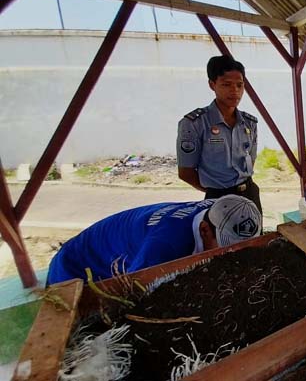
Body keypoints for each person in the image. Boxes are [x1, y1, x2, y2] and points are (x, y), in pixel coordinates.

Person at [47, 195, 262, 285]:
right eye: (226, 248)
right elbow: (134, 294)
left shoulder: (223, 208)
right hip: (78, 269)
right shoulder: (165, 249)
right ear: (205, 231)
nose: (233, 256)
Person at [177, 55, 262, 213]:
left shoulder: (249, 123)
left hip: (249, 194)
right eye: (226, 84)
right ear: (212, 84)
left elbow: (251, 159)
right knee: (219, 238)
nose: (235, 91)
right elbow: (185, 172)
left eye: (239, 85)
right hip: (217, 198)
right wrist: (215, 190)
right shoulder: (195, 123)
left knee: (256, 238)